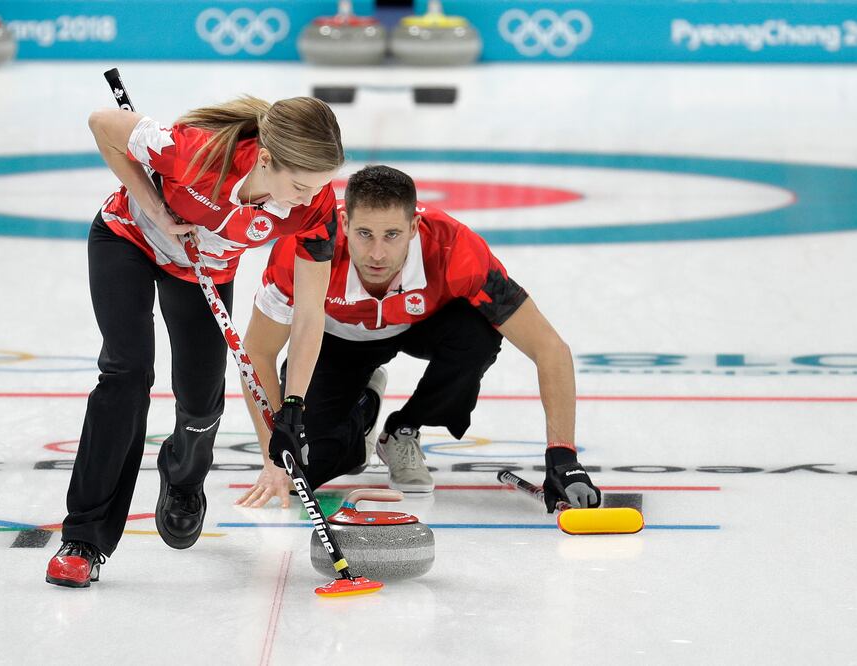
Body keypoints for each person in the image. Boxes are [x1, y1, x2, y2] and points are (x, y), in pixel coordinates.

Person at [45, 96, 344, 588]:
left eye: (318, 185)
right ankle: (84, 539)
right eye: (299, 184)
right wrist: (155, 207)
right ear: (266, 159)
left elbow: (310, 314)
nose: (307, 197)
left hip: (202, 270)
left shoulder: (315, 203)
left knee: (201, 401)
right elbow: (102, 124)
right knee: (127, 372)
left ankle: (183, 477)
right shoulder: (196, 152)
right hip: (128, 241)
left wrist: (293, 405)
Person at [235, 165, 600, 513]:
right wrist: (273, 456)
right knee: (305, 470)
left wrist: (563, 457)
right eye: (365, 234)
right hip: (332, 339)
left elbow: (550, 348)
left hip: (420, 324)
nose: (377, 253)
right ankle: (363, 408)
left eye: (391, 235)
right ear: (344, 223)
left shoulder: (454, 248)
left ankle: (403, 428)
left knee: (478, 333)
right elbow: (258, 353)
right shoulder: (307, 248)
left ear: (414, 227)